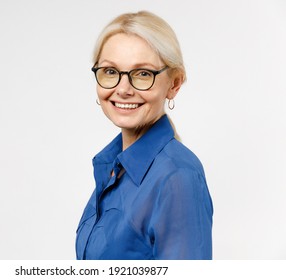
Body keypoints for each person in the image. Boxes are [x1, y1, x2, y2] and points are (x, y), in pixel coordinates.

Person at [75, 11, 213, 260]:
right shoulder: (112, 167)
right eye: (110, 71)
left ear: (174, 84)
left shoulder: (177, 177)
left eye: (143, 74)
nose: (123, 89)